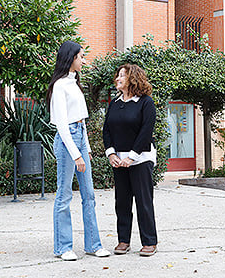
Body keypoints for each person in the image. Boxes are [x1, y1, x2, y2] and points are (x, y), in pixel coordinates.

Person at [46, 41, 110, 261]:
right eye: (81, 56)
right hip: (67, 142)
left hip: (80, 139)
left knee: (89, 195)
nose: (84, 60)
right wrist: (76, 154)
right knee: (64, 196)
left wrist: (87, 149)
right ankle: (63, 247)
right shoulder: (60, 85)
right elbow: (62, 125)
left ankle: (93, 244)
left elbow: (80, 121)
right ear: (70, 58)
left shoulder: (74, 84)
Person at [103, 64, 158, 257]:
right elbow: (106, 130)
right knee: (122, 202)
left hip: (141, 158)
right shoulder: (115, 103)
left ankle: (149, 242)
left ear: (132, 79)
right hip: (118, 159)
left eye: (121, 76)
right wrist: (111, 154)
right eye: (117, 76)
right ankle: (123, 240)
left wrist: (131, 157)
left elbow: (146, 131)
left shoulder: (145, 103)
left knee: (143, 201)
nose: (117, 79)